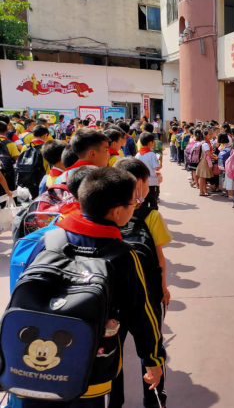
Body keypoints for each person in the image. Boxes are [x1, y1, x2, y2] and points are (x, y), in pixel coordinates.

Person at [17, 167, 165, 408]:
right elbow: (141, 313)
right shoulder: (123, 255)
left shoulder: (50, 239)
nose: (135, 207)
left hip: (33, 367)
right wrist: (153, 359)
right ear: (117, 212)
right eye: (133, 203)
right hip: (91, 367)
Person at [111, 158, 172, 408]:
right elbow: (159, 259)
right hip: (146, 296)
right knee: (151, 348)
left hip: (112, 300)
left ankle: (114, 402)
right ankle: (155, 401)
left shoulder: (107, 214)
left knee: (113, 353)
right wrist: (163, 289)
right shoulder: (151, 215)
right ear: (138, 183)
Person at [136, 132, 161, 209]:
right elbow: (157, 168)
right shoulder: (151, 154)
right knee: (153, 203)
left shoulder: (137, 155)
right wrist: (159, 162)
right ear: (150, 143)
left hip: (142, 183)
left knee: (144, 203)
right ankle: (153, 216)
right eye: (153, 142)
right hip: (152, 182)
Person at [196, 129, 216, 197]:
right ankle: (201, 191)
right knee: (202, 178)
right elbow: (208, 154)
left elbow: (209, 153)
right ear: (205, 135)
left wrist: (213, 156)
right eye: (209, 134)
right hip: (204, 162)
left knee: (203, 178)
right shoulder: (205, 144)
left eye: (211, 134)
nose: (211, 135)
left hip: (205, 161)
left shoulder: (206, 143)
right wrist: (215, 157)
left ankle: (204, 191)